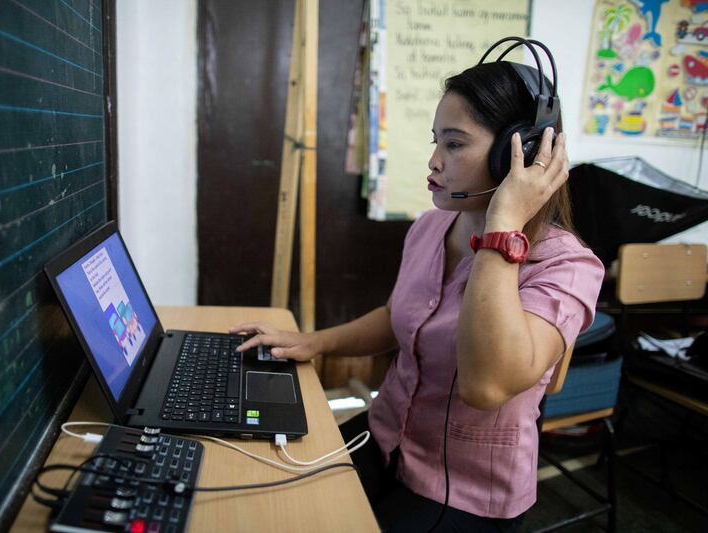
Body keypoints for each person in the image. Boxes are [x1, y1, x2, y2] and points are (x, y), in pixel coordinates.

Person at [231, 52, 604, 532]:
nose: (433, 161)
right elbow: (399, 316)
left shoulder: (567, 266)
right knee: (270, 505)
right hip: (384, 436)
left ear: (519, 154)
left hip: (466, 489)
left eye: (454, 144)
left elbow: (485, 386)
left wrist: (502, 227)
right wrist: (316, 341)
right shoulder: (431, 227)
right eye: (436, 141)